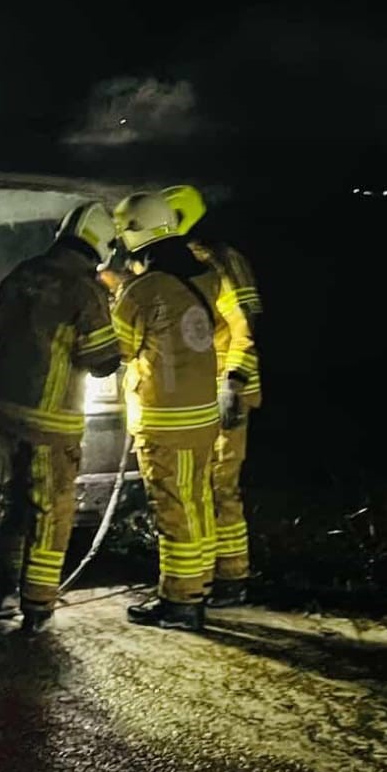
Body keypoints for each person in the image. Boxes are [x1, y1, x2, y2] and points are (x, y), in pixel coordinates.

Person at [111, 191, 252, 632]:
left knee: (175, 507)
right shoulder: (208, 274)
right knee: (200, 501)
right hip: (201, 415)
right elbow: (235, 325)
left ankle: (182, 601)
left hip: (163, 418)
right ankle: (206, 585)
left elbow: (119, 349)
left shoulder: (142, 288)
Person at [0, 200, 120, 632]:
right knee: (51, 510)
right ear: (101, 245)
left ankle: (0, 583)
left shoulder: (20, 275)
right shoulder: (85, 290)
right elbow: (101, 360)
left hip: (6, 412)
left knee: (11, 502)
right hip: (51, 423)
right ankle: (38, 604)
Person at [164, 184, 262, 606]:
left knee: (220, 485)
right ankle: (208, 579)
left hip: (228, 390)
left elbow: (245, 323)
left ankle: (231, 579)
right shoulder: (193, 261)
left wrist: (233, 382)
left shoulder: (220, 260)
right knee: (203, 488)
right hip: (202, 394)